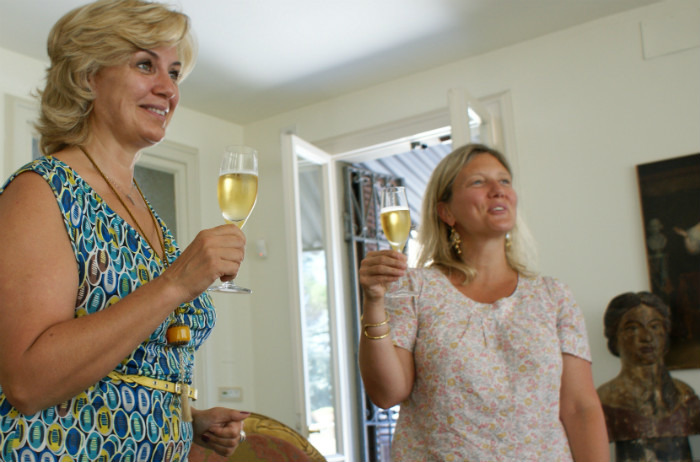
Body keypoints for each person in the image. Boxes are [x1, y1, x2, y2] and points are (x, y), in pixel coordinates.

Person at [0, 1, 248, 460]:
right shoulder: (42, 190)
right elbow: (28, 384)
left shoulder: (142, 208)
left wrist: (187, 419)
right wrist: (176, 283)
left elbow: (123, 371)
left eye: (174, 72)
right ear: (88, 77)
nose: (168, 89)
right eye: (144, 65)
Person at [358, 143, 610, 461]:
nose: (498, 190)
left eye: (504, 181)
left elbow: (579, 408)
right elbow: (387, 393)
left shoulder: (554, 296)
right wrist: (374, 301)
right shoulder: (414, 288)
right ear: (446, 212)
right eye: (478, 182)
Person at [597, 291, 700, 461]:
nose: (646, 337)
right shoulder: (604, 400)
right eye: (633, 328)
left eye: (654, 326)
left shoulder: (686, 396)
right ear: (615, 337)